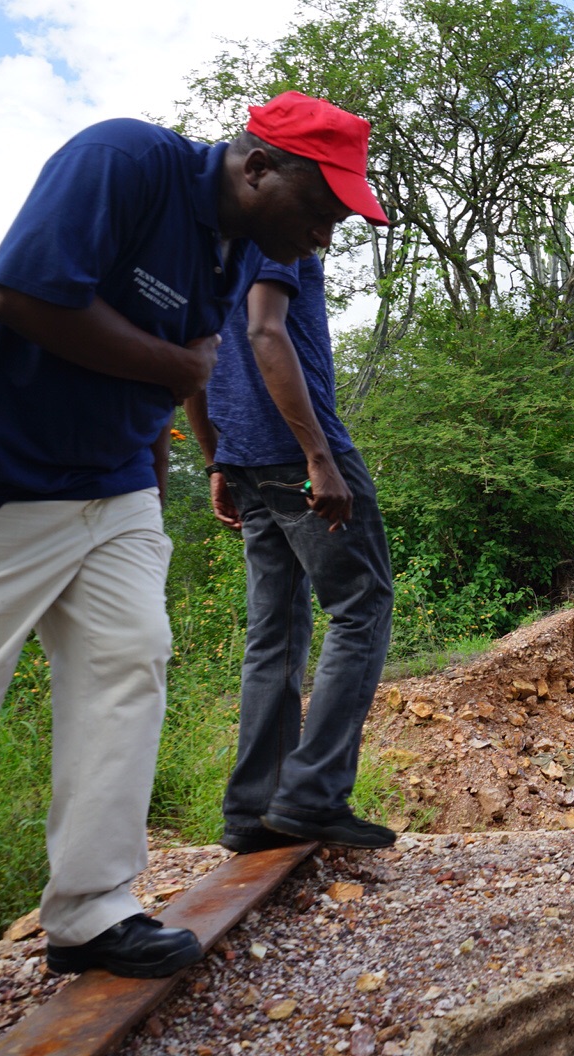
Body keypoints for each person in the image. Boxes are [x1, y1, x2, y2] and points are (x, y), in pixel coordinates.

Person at [0, 89, 386, 1056]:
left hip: (114, 485)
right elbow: (22, 297)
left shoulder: (237, 246)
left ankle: (91, 910)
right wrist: (174, 369)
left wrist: (190, 457)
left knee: (130, 666)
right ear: (257, 168)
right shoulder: (122, 160)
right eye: (322, 208)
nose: (327, 234)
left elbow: (195, 370)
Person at [184, 241, 395, 852]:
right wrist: (319, 456)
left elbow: (199, 350)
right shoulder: (279, 232)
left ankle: (252, 812)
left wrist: (214, 459)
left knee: (272, 630)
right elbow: (263, 330)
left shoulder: (212, 243)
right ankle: (313, 793)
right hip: (296, 451)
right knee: (362, 606)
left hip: (243, 457)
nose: (332, 225)